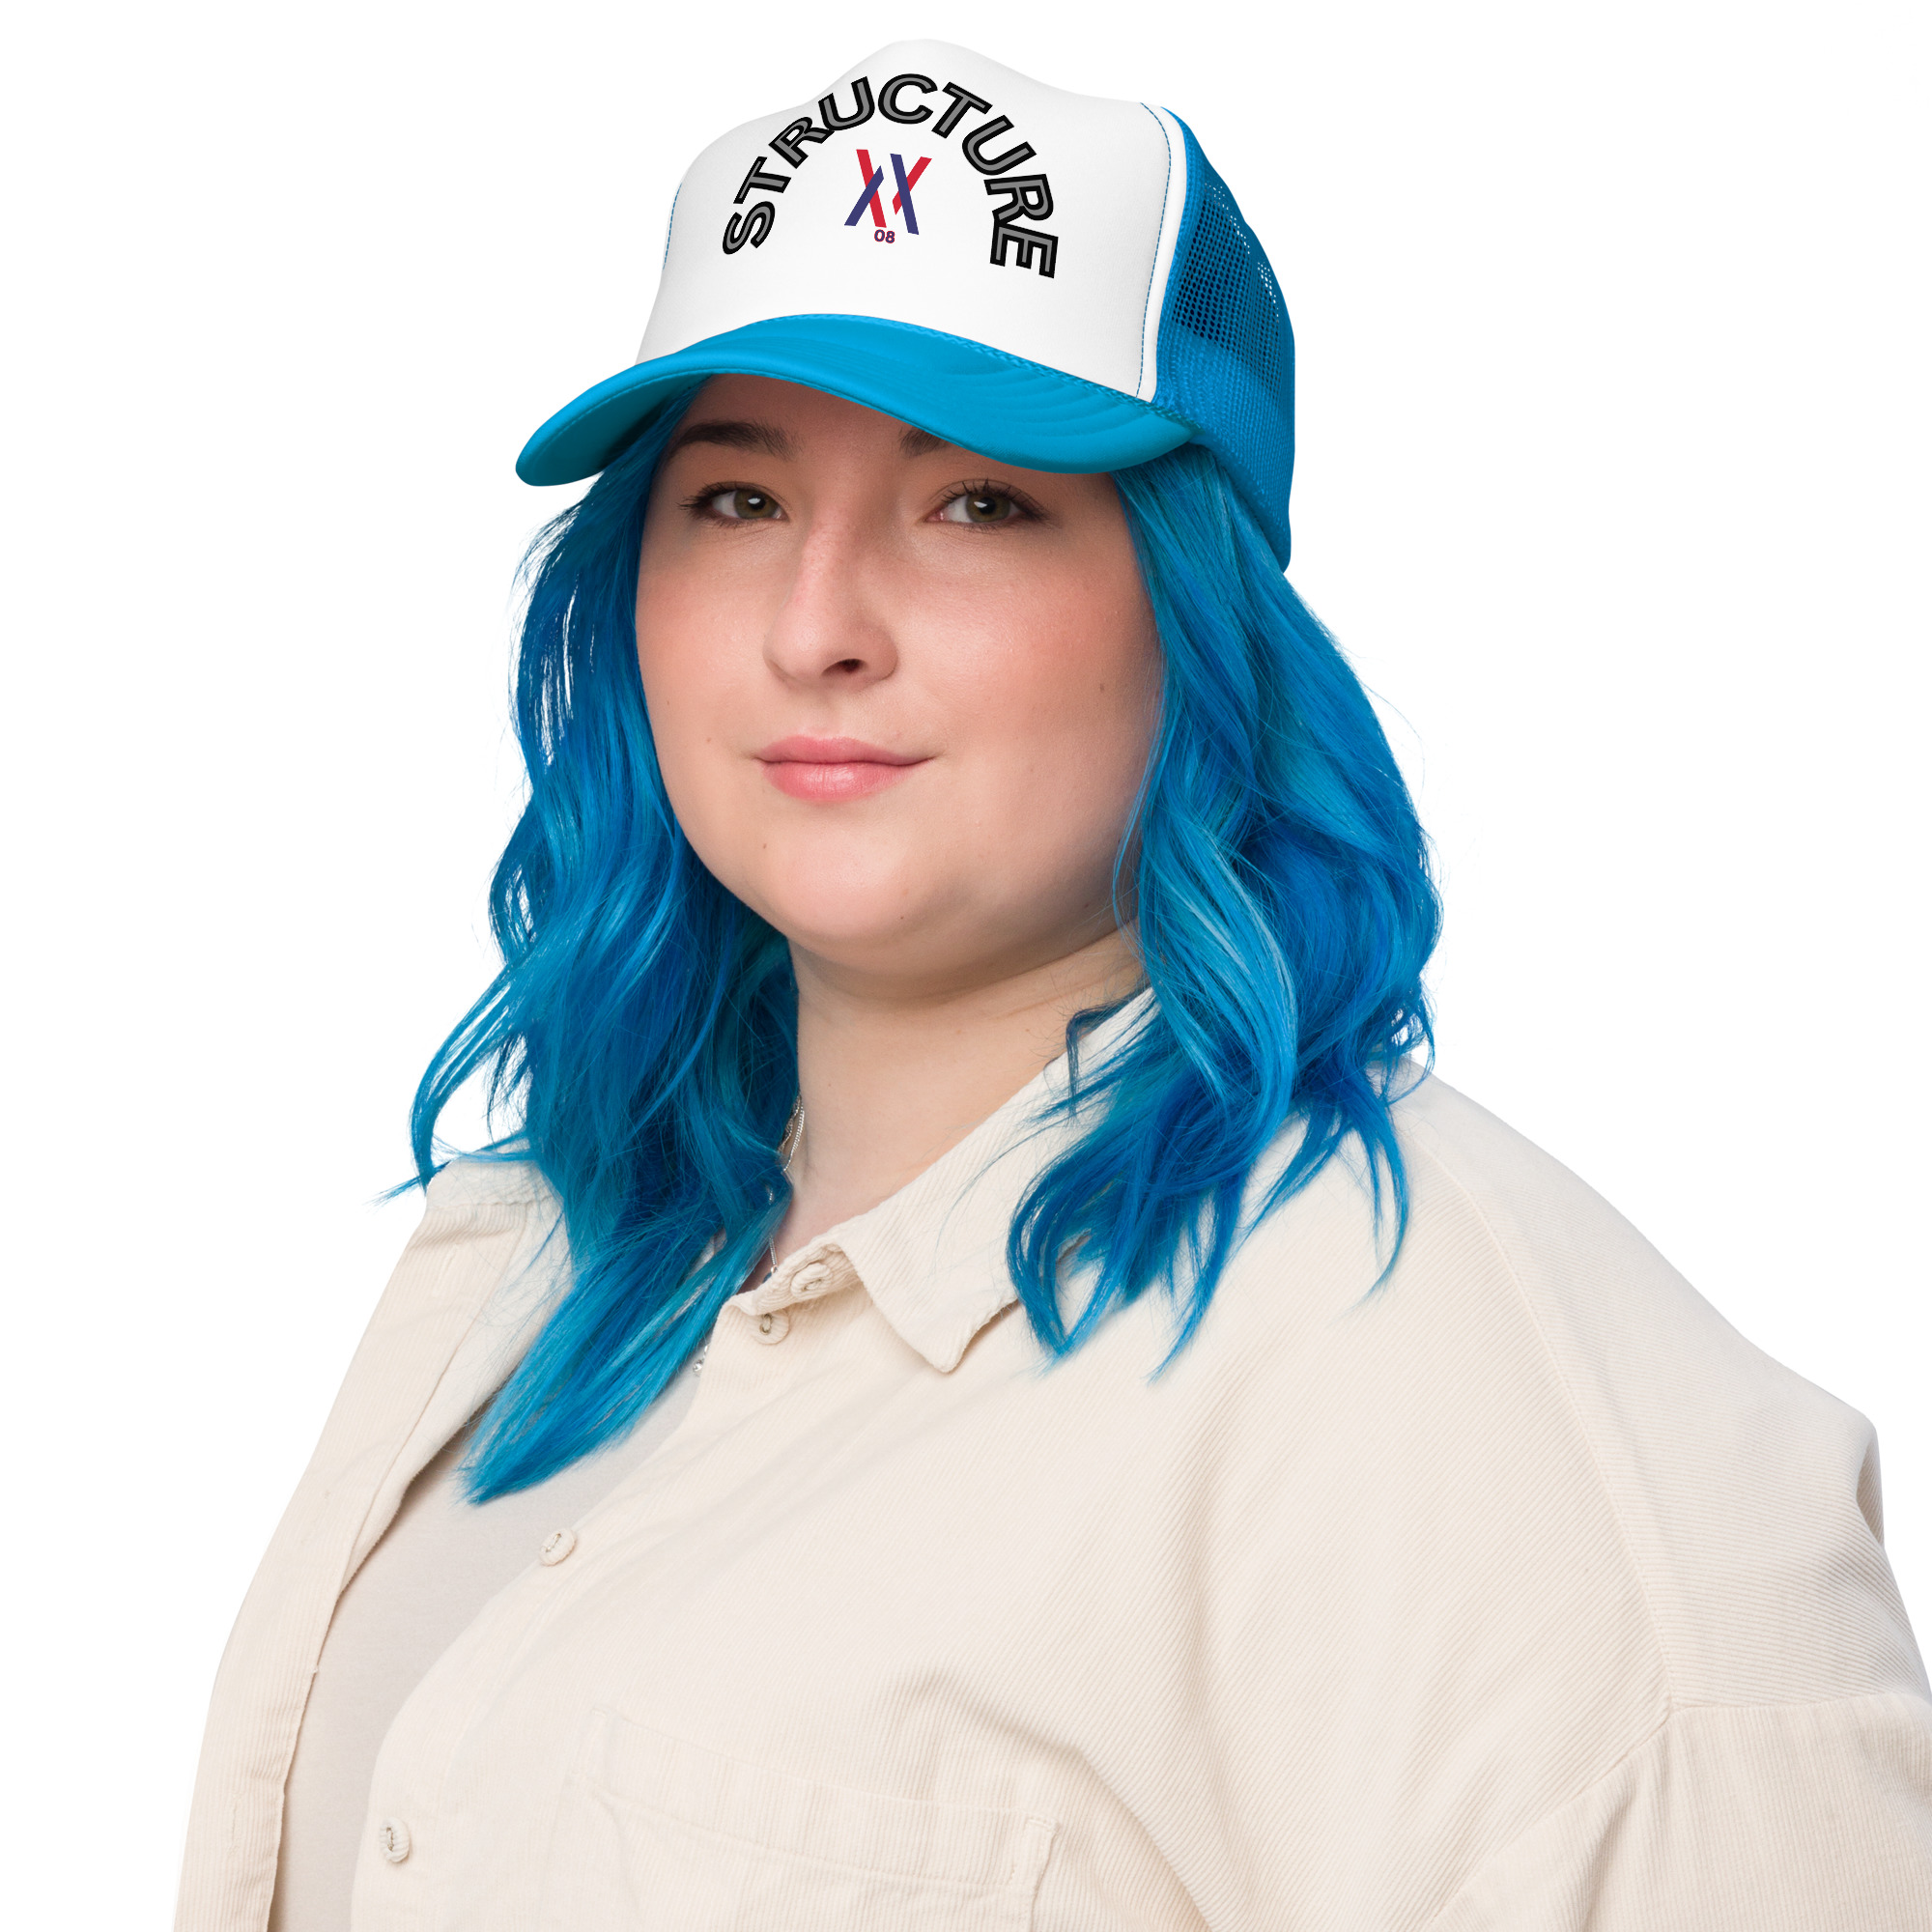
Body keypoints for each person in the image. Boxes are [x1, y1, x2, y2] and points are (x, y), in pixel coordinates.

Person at [176, 39, 1932, 1932]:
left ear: (1193, 607)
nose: (816, 626)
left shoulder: (1492, 1433)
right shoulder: (529, 1253)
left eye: (981, 505)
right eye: (737, 500)